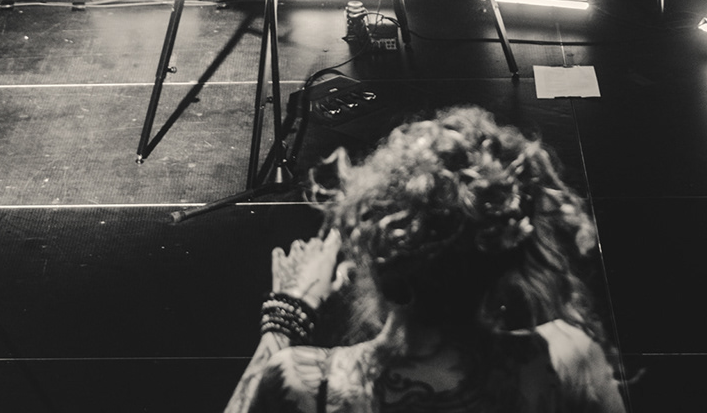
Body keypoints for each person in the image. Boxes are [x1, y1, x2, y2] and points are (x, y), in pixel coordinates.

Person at [223, 105, 624, 412]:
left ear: (379, 266)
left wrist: (288, 311)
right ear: (503, 263)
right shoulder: (565, 360)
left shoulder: (307, 383)